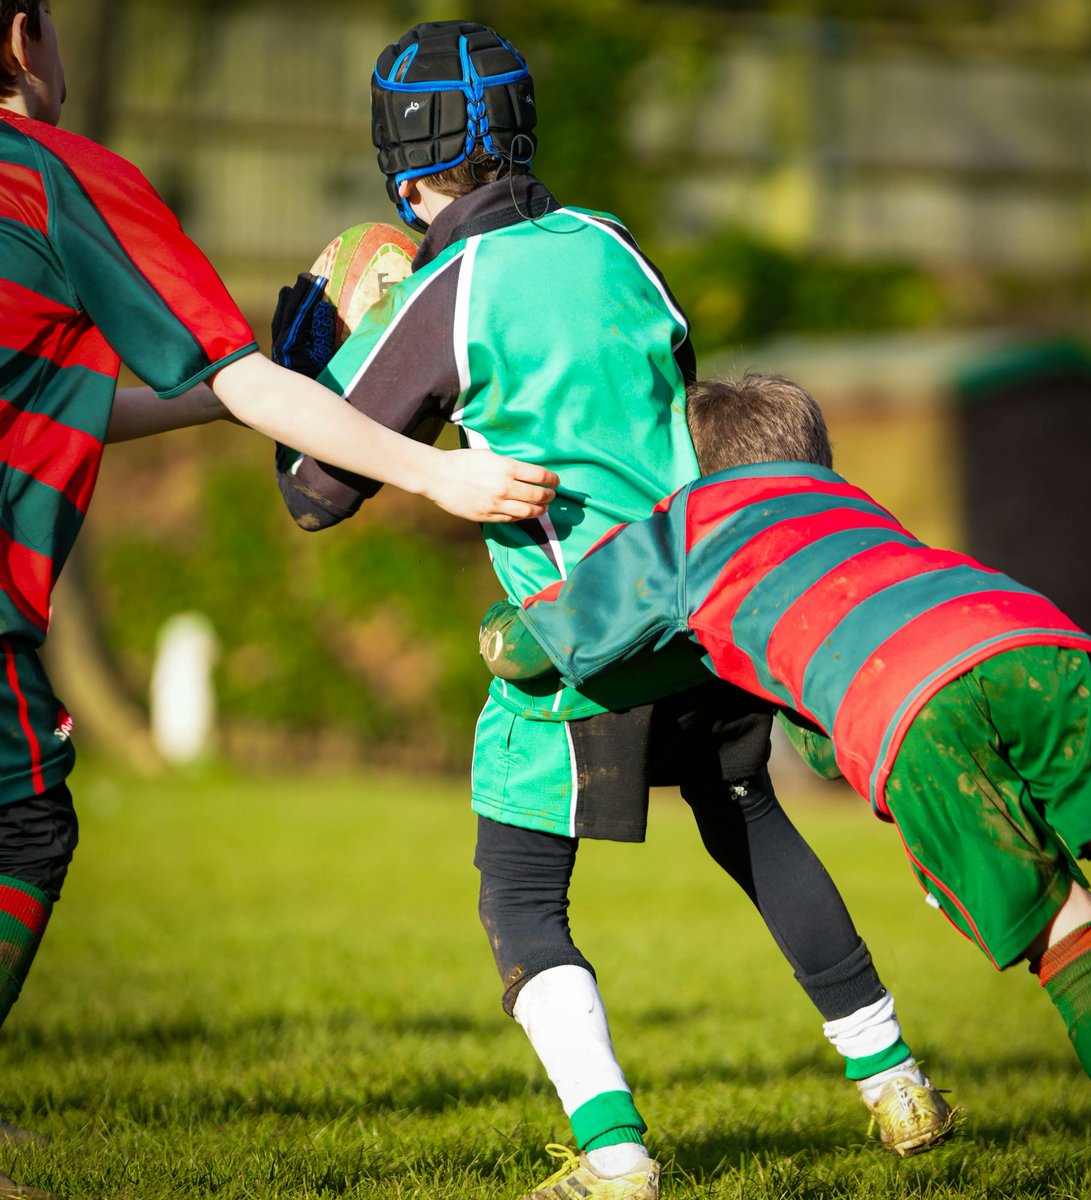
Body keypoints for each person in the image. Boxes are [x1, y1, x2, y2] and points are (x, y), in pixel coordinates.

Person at [270, 21, 952, 1200]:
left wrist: (316, 355)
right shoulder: (613, 243)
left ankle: (614, 1154)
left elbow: (315, 494)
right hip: (705, 602)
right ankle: (893, 1079)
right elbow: (678, 388)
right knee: (748, 819)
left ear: (400, 156)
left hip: (578, 638)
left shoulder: (446, 291)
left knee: (520, 894)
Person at [0, 5, 557, 1197]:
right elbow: (236, 370)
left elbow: (76, 405)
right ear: (19, 41)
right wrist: (433, 469)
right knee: (22, 823)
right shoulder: (54, 178)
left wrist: (240, 393)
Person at [480, 371, 1091, 1200]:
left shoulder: (687, 522)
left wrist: (503, 626)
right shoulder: (860, 507)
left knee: (1070, 945)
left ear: (692, 469)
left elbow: (534, 648)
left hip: (910, 702)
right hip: (1038, 637)